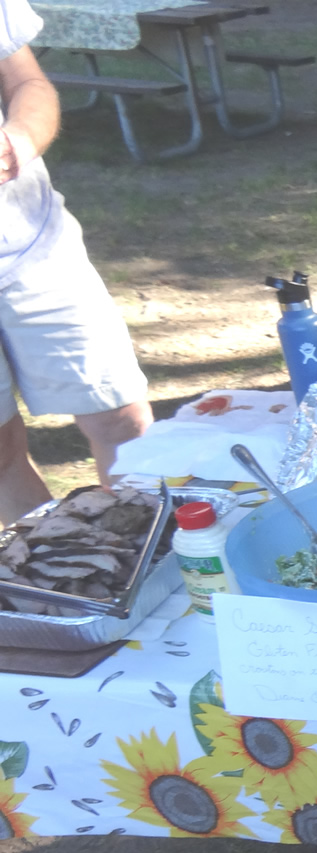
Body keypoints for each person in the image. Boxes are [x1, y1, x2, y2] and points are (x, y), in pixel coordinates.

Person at [0, 0, 150, 524]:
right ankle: (60, 562)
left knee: (122, 421)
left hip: (34, 246)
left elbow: (27, 83)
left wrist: (19, 139)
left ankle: (156, 555)